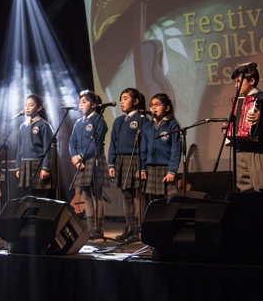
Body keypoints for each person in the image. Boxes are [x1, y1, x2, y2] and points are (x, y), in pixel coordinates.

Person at [224, 62, 263, 191]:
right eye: (235, 82)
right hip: (240, 151)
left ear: (252, 80)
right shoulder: (238, 100)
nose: (236, 86)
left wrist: (262, 118)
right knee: (244, 191)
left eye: (239, 82)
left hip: (260, 151)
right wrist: (229, 129)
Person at [108, 88, 148, 243]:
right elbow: (113, 144)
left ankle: (140, 228)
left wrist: (142, 165)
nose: (122, 102)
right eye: (121, 99)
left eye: (125, 98)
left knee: (138, 195)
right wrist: (111, 163)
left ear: (136, 101)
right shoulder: (118, 121)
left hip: (136, 159)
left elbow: (144, 144)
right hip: (121, 160)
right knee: (126, 194)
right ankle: (130, 227)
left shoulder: (142, 119)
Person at [68, 90, 109, 240]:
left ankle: (99, 228)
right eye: (80, 102)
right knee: (86, 195)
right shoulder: (79, 123)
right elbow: (72, 142)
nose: (81, 104)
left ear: (93, 104)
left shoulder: (99, 120)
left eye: (84, 101)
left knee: (97, 195)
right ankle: (90, 228)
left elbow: (96, 144)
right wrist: (74, 157)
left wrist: (80, 157)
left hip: (94, 159)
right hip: (81, 162)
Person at [140, 93, 181, 202]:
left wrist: (172, 171)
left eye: (157, 104)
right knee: (153, 202)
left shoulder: (172, 125)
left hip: (165, 168)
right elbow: (143, 149)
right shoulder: (147, 125)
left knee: (167, 202)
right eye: (151, 105)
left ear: (167, 108)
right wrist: (142, 168)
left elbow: (176, 150)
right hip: (150, 169)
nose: (153, 107)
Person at [15, 94, 55, 197]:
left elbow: (48, 148)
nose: (27, 108)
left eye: (31, 105)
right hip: (25, 164)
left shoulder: (44, 125)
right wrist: (18, 167)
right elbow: (20, 148)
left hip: (38, 164)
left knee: (40, 197)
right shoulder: (22, 126)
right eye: (26, 105)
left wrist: (45, 168)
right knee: (29, 197)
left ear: (39, 108)